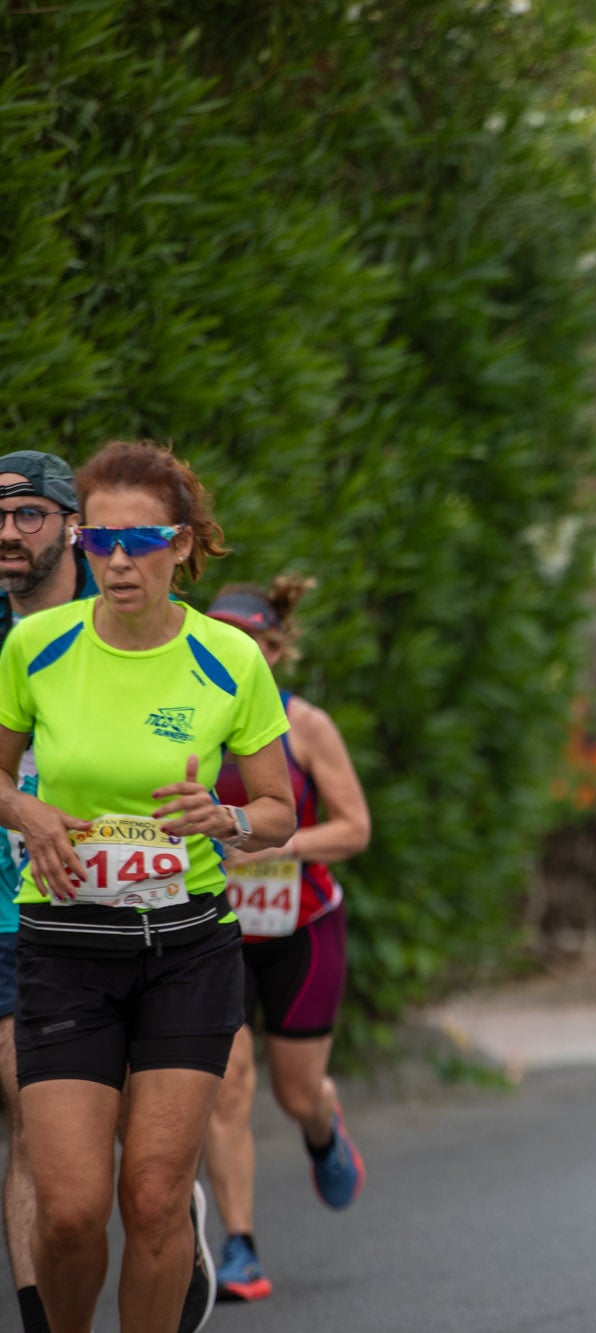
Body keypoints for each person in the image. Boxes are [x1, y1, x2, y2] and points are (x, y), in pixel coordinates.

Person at [0, 441, 296, 1333]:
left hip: (186, 950)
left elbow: (279, 809)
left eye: (142, 539)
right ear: (83, 543)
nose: (119, 561)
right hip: (65, 950)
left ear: (183, 542)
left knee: (158, 1195)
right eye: (100, 541)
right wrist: (27, 815)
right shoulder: (34, 645)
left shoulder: (228, 660)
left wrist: (227, 819)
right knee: (70, 1207)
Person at [198, 578, 370, 1303]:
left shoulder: (306, 726)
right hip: (214, 929)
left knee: (295, 1090)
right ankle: (239, 1244)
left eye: (250, 642)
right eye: (220, 638)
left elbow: (354, 827)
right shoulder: (185, 719)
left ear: (275, 648)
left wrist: (270, 844)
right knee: (228, 1083)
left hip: (300, 925)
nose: (237, 653)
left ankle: (321, 1124)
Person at [0, 452, 100, 1333]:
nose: (7, 532)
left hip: (125, 911)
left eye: (29, 514)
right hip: (10, 915)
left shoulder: (126, 619)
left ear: (73, 523)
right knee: (29, 1123)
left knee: (127, 1149)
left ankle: (166, 1211)